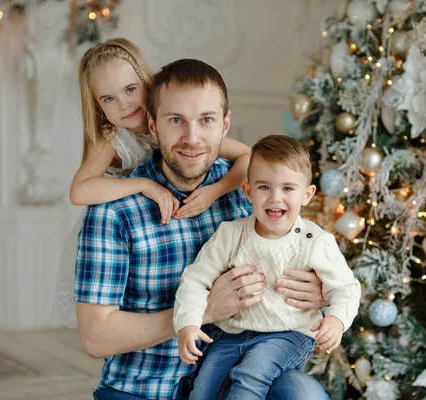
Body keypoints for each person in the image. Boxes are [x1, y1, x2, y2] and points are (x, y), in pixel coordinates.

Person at [75, 57, 330, 399]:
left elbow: (302, 257)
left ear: (225, 125)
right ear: (153, 126)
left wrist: (317, 291)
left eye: (206, 120)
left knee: (303, 393)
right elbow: (96, 338)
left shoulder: (249, 194)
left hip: (233, 378)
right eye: (176, 120)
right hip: (143, 387)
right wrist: (205, 309)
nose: (192, 138)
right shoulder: (115, 211)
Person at [51, 38, 252, 329]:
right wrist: (146, 185)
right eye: (108, 99)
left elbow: (248, 156)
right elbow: (79, 191)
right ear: (97, 106)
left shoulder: (184, 126)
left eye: (130, 89)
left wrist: (215, 191)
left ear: (147, 83)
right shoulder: (112, 136)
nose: (124, 104)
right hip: (126, 216)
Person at [174, 135, 361, 399]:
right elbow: (195, 279)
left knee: (251, 376)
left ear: (306, 195)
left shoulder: (315, 242)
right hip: (232, 335)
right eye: (264, 187)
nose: (275, 198)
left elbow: (346, 288)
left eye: (288, 188)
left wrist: (336, 319)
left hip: (287, 334)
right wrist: (189, 323)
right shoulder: (231, 234)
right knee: (204, 389)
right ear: (248, 191)